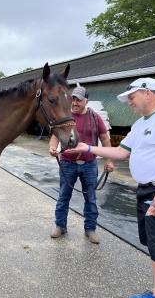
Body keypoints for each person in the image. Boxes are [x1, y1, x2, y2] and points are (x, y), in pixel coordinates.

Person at [66, 78, 155, 298]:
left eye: (132, 97)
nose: (129, 103)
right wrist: (86, 147)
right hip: (147, 191)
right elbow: (122, 152)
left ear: (148, 93)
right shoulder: (141, 123)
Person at [49, 86, 114, 244]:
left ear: (86, 101)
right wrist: (52, 147)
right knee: (63, 196)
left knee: (90, 198)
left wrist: (109, 160)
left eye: (78, 99)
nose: (75, 102)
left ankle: (90, 229)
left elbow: (105, 139)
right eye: (73, 99)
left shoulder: (95, 117)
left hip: (89, 164)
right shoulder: (66, 116)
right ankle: (60, 226)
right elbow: (55, 136)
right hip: (67, 163)